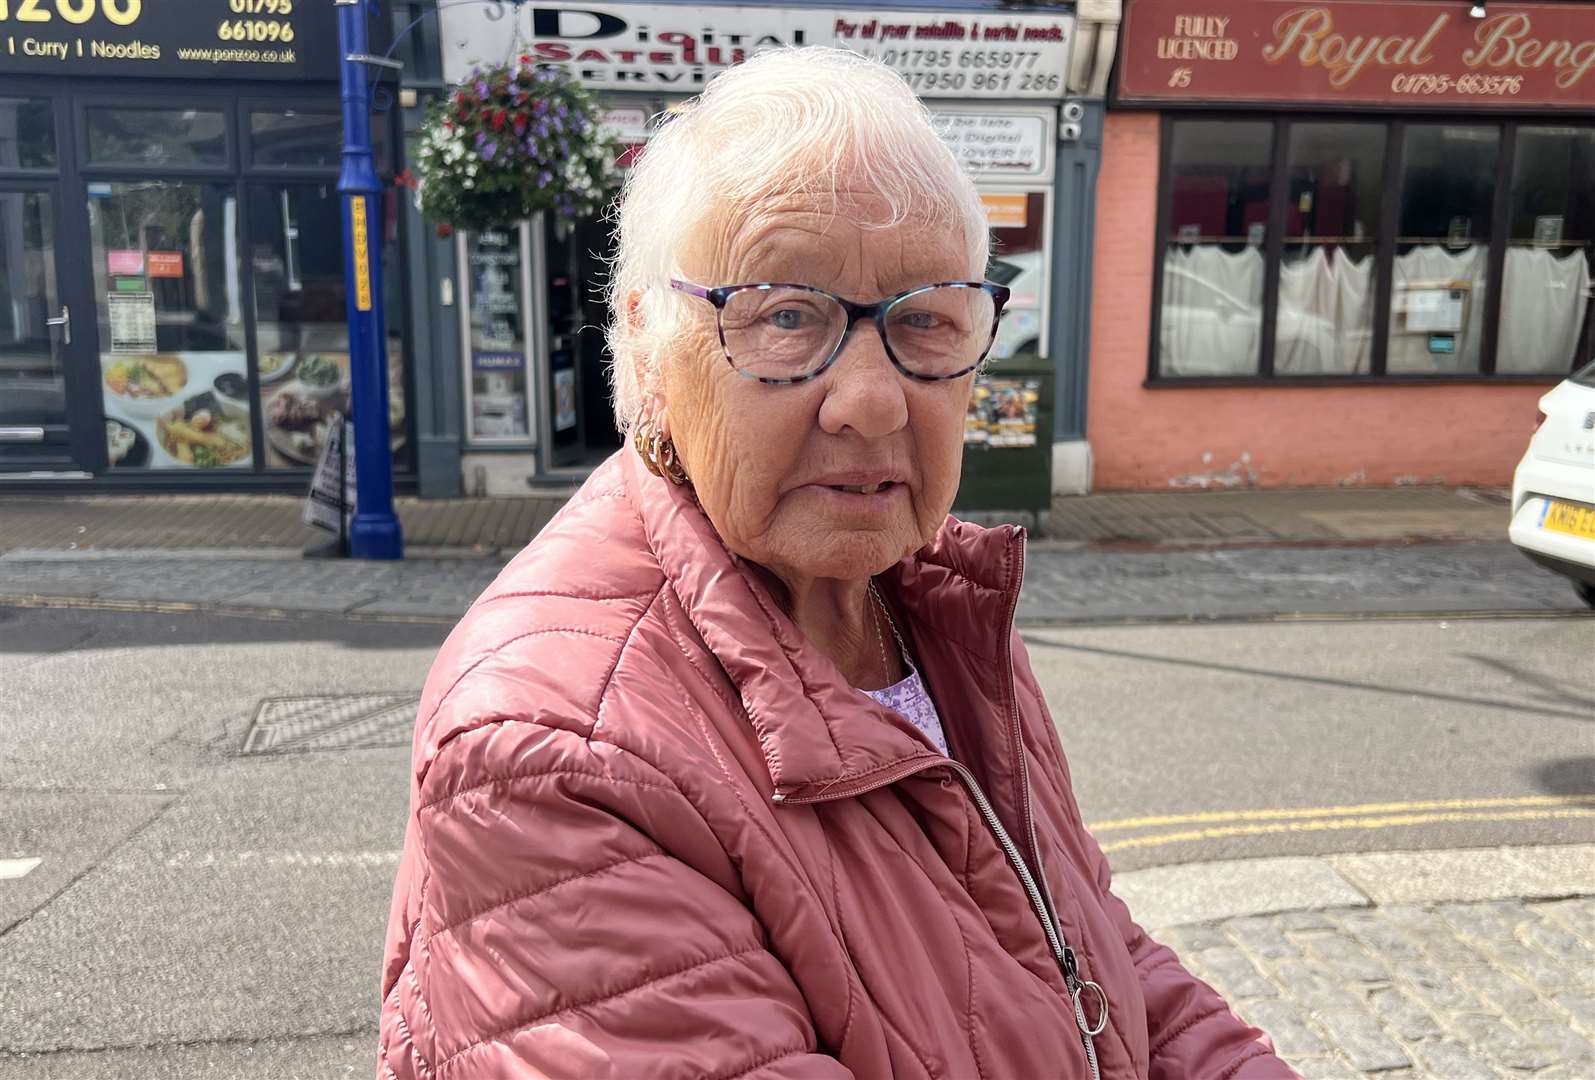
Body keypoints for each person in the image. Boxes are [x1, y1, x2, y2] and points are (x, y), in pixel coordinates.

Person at [378, 48, 1293, 1080]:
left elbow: (1084, 955)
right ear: (646, 354)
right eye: (782, 316)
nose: (872, 399)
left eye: (924, 320)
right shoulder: (554, 744)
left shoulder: (935, 608)